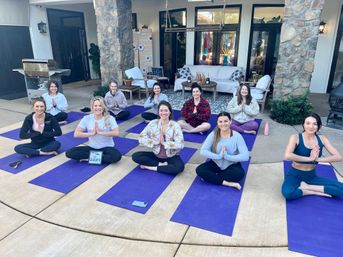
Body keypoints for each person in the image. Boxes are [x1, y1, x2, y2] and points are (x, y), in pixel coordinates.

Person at [282, 113, 343, 199]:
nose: (311, 127)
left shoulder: (322, 139)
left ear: (319, 126)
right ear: (303, 124)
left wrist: (317, 159)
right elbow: (288, 155)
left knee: (341, 189)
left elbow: (338, 157)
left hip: (311, 176)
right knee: (287, 193)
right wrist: (310, 158)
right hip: (295, 174)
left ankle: (308, 187)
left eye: (315, 124)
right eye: (308, 123)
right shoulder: (295, 137)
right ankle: (307, 191)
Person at [196, 112, 249, 190]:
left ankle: (212, 177)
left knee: (239, 174)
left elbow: (245, 156)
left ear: (230, 121)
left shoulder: (237, 136)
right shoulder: (213, 134)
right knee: (199, 170)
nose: (223, 124)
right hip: (216, 163)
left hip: (231, 165)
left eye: (226, 121)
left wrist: (228, 157)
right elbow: (203, 151)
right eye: (220, 121)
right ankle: (228, 183)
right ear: (217, 123)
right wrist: (218, 156)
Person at [132, 100, 185, 174]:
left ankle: (150, 167)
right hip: (156, 155)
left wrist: (165, 143)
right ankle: (161, 165)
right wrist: (155, 142)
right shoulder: (153, 123)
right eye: (161, 110)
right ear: (158, 112)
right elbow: (141, 137)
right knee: (136, 156)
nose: (163, 113)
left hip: (171, 156)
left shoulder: (175, 125)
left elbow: (181, 144)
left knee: (180, 168)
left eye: (166, 110)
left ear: (170, 112)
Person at [66, 96, 122, 164]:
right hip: (92, 148)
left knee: (116, 156)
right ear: (92, 107)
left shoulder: (110, 118)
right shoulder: (87, 118)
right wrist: (91, 134)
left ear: (103, 107)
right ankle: (97, 157)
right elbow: (76, 134)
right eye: (95, 106)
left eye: (100, 105)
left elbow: (116, 133)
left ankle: (91, 158)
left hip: (107, 148)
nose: (98, 108)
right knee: (69, 153)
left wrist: (101, 133)